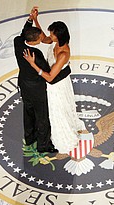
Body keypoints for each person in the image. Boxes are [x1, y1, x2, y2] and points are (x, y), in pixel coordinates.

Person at [23, 7, 85, 154]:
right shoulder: (55, 41)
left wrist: (33, 64)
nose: (50, 35)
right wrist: (36, 19)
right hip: (51, 82)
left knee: (57, 111)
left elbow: (50, 77)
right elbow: (43, 38)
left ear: (59, 36)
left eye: (52, 33)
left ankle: (60, 137)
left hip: (56, 86)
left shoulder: (63, 53)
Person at [14, 8, 71, 153]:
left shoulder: (18, 41)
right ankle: (43, 146)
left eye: (51, 34)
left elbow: (29, 32)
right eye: (42, 36)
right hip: (39, 89)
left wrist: (33, 19)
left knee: (28, 113)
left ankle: (30, 138)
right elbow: (50, 77)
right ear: (34, 41)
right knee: (42, 118)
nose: (47, 36)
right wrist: (67, 71)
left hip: (24, 86)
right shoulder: (36, 55)